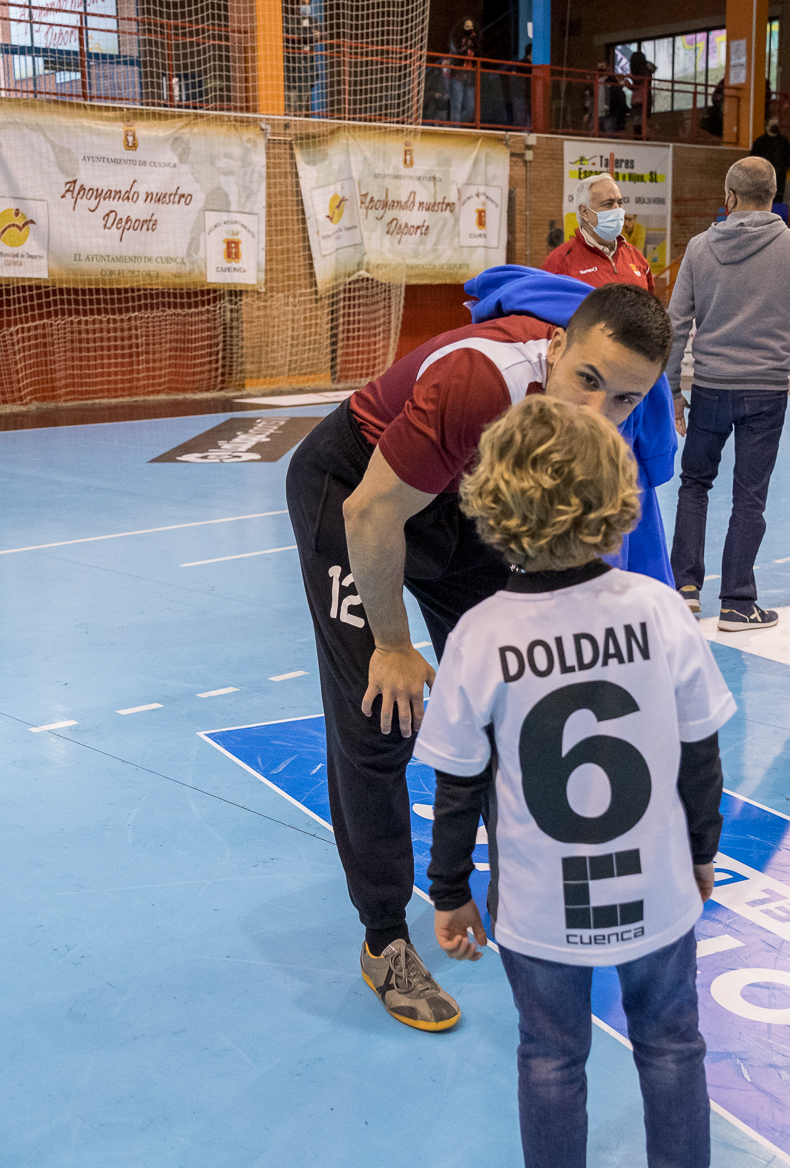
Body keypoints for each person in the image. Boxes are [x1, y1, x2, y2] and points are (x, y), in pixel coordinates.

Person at [285, 276, 675, 1032]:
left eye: (624, 398)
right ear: (556, 348)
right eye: (586, 380)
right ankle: (385, 938)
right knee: (383, 716)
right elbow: (372, 512)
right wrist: (394, 644)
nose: (597, 410)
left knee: (519, 706)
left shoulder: (610, 415)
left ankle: (524, 897)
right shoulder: (479, 381)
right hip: (362, 494)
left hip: (464, 505)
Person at [422, 396, 750, 1168]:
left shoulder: (480, 633)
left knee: (550, 1054)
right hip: (656, 894)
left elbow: (457, 783)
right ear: (620, 496)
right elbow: (699, 751)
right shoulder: (656, 608)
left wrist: (449, 891)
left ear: (492, 505)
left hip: (539, 907)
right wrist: (703, 853)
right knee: (672, 1040)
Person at [666, 156, 790, 632]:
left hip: (709, 389)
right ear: (773, 196)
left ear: (729, 198)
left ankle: (684, 589)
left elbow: (675, 324)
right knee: (750, 498)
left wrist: (673, 391)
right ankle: (738, 603)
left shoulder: (699, 249)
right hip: (766, 392)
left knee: (694, 483)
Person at [546, 174, 656, 293]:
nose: (617, 209)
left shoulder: (637, 259)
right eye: (608, 204)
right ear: (584, 212)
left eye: (620, 203)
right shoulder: (559, 263)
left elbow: (650, 307)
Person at [750, 118, 790, 202]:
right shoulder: (760, 141)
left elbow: (789, 156)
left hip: (779, 175)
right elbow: (753, 157)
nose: (775, 127)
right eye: (772, 125)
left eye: (776, 125)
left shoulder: (784, 141)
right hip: (763, 175)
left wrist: (787, 167)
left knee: (778, 197)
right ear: (767, 127)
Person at [448, 18, 479, 125]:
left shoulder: (475, 41)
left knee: (471, 108)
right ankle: (455, 129)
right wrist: (466, 44)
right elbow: (457, 55)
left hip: (470, 76)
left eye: (472, 27)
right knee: (457, 104)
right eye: (467, 27)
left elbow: (480, 55)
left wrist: (474, 43)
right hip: (458, 75)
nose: (470, 29)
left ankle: (460, 123)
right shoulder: (457, 40)